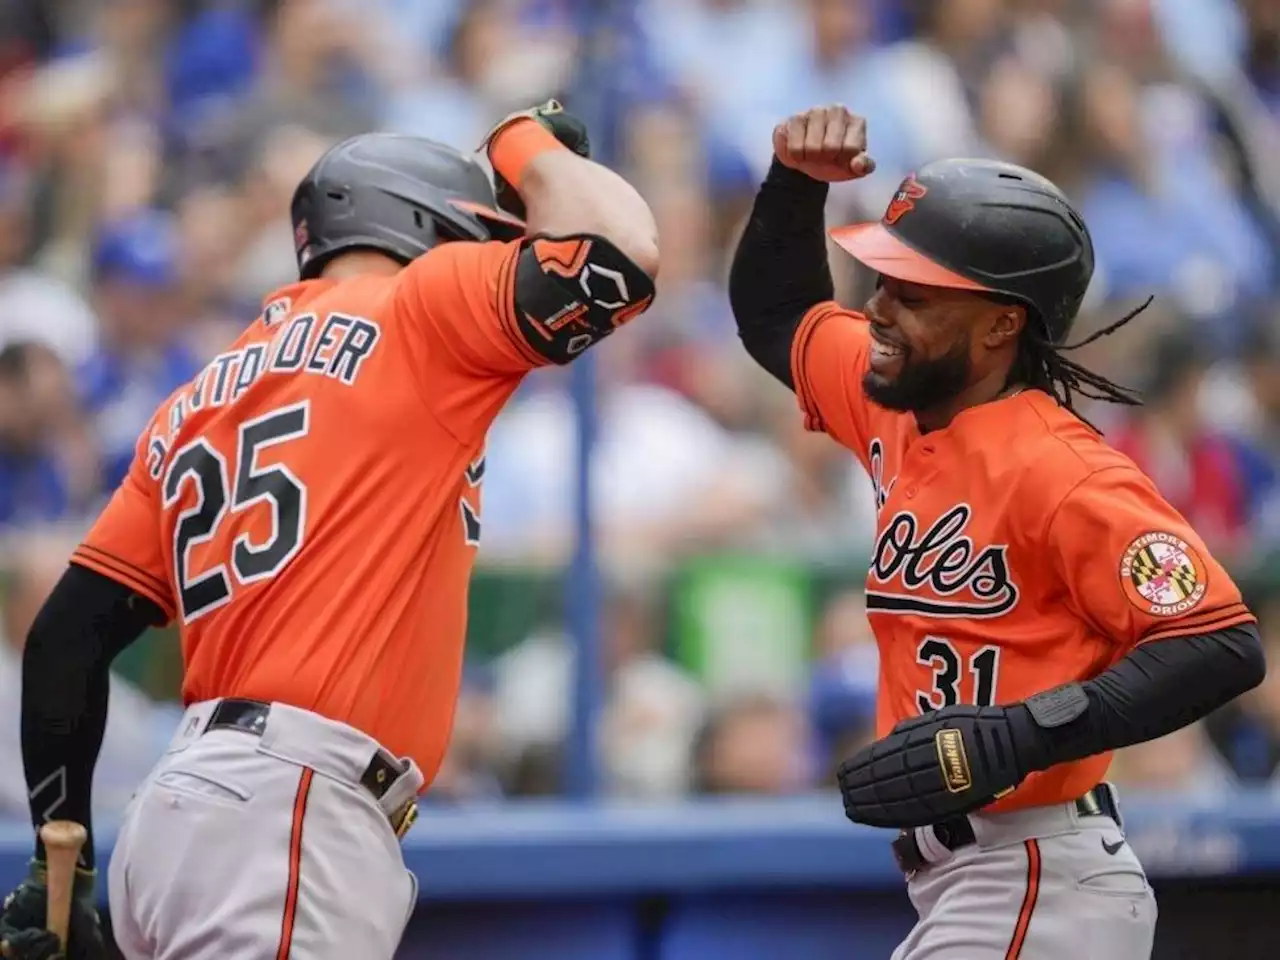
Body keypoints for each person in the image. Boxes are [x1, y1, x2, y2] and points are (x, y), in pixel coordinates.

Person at [1, 100, 659, 960]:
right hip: (290, 812)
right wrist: (516, 140)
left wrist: (67, 858)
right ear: (430, 223)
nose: (498, 250)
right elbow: (624, 252)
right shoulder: (417, 306)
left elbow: (64, 641)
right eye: (487, 231)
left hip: (177, 816)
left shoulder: (201, 394)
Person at [729, 104, 1265, 960]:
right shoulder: (892, 402)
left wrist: (1028, 731)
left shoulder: (1065, 472)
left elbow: (1220, 643)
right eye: (882, 280)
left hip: (1041, 878)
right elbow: (777, 314)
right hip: (977, 886)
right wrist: (795, 186)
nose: (879, 308)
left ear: (1000, 324)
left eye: (915, 293)